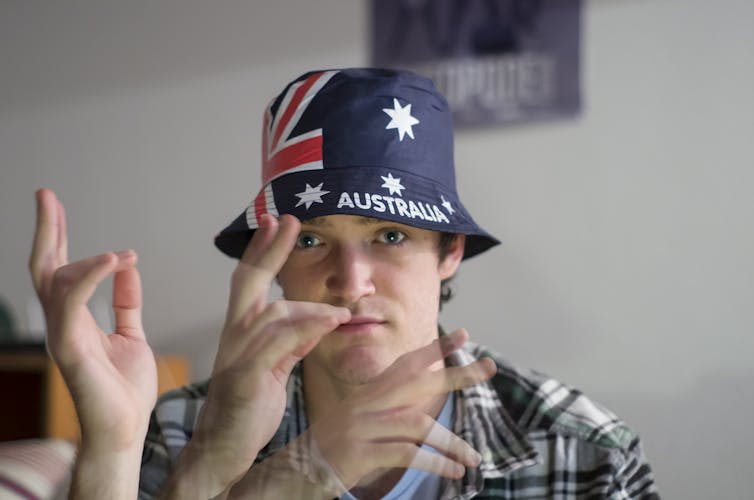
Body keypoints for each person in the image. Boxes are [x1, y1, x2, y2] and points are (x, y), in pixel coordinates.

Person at [30, 68, 659, 499]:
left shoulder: (583, 454)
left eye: (390, 236)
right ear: (269, 260)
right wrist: (124, 450)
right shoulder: (178, 429)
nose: (349, 281)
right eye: (309, 239)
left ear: (450, 252)